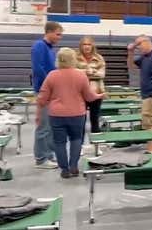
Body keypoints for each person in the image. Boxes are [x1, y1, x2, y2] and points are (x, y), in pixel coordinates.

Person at [36, 48, 104, 179]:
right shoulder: (81, 75)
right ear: (74, 60)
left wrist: (39, 114)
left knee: (59, 142)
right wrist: (99, 95)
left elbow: (42, 99)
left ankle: (64, 169)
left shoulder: (51, 75)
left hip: (56, 115)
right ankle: (74, 166)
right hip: (77, 114)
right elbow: (89, 97)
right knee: (76, 139)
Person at [30, 21, 62, 169]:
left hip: (52, 91)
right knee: (43, 125)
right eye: (58, 34)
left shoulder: (50, 49)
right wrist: (49, 85)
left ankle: (48, 154)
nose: (59, 37)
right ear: (48, 32)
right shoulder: (39, 46)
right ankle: (40, 159)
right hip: (44, 90)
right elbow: (38, 69)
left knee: (49, 126)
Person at [76, 36, 106, 133]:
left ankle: (96, 144)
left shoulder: (99, 58)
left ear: (92, 46)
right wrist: (86, 72)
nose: (87, 47)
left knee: (95, 120)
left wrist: (90, 72)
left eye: (89, 44)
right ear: (81, 46)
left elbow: (102, 74)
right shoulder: (75, 57)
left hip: (96, 92)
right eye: (84, 44)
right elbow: (72, 73)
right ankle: (79, 144)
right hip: (80, 93)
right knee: (80, 119)